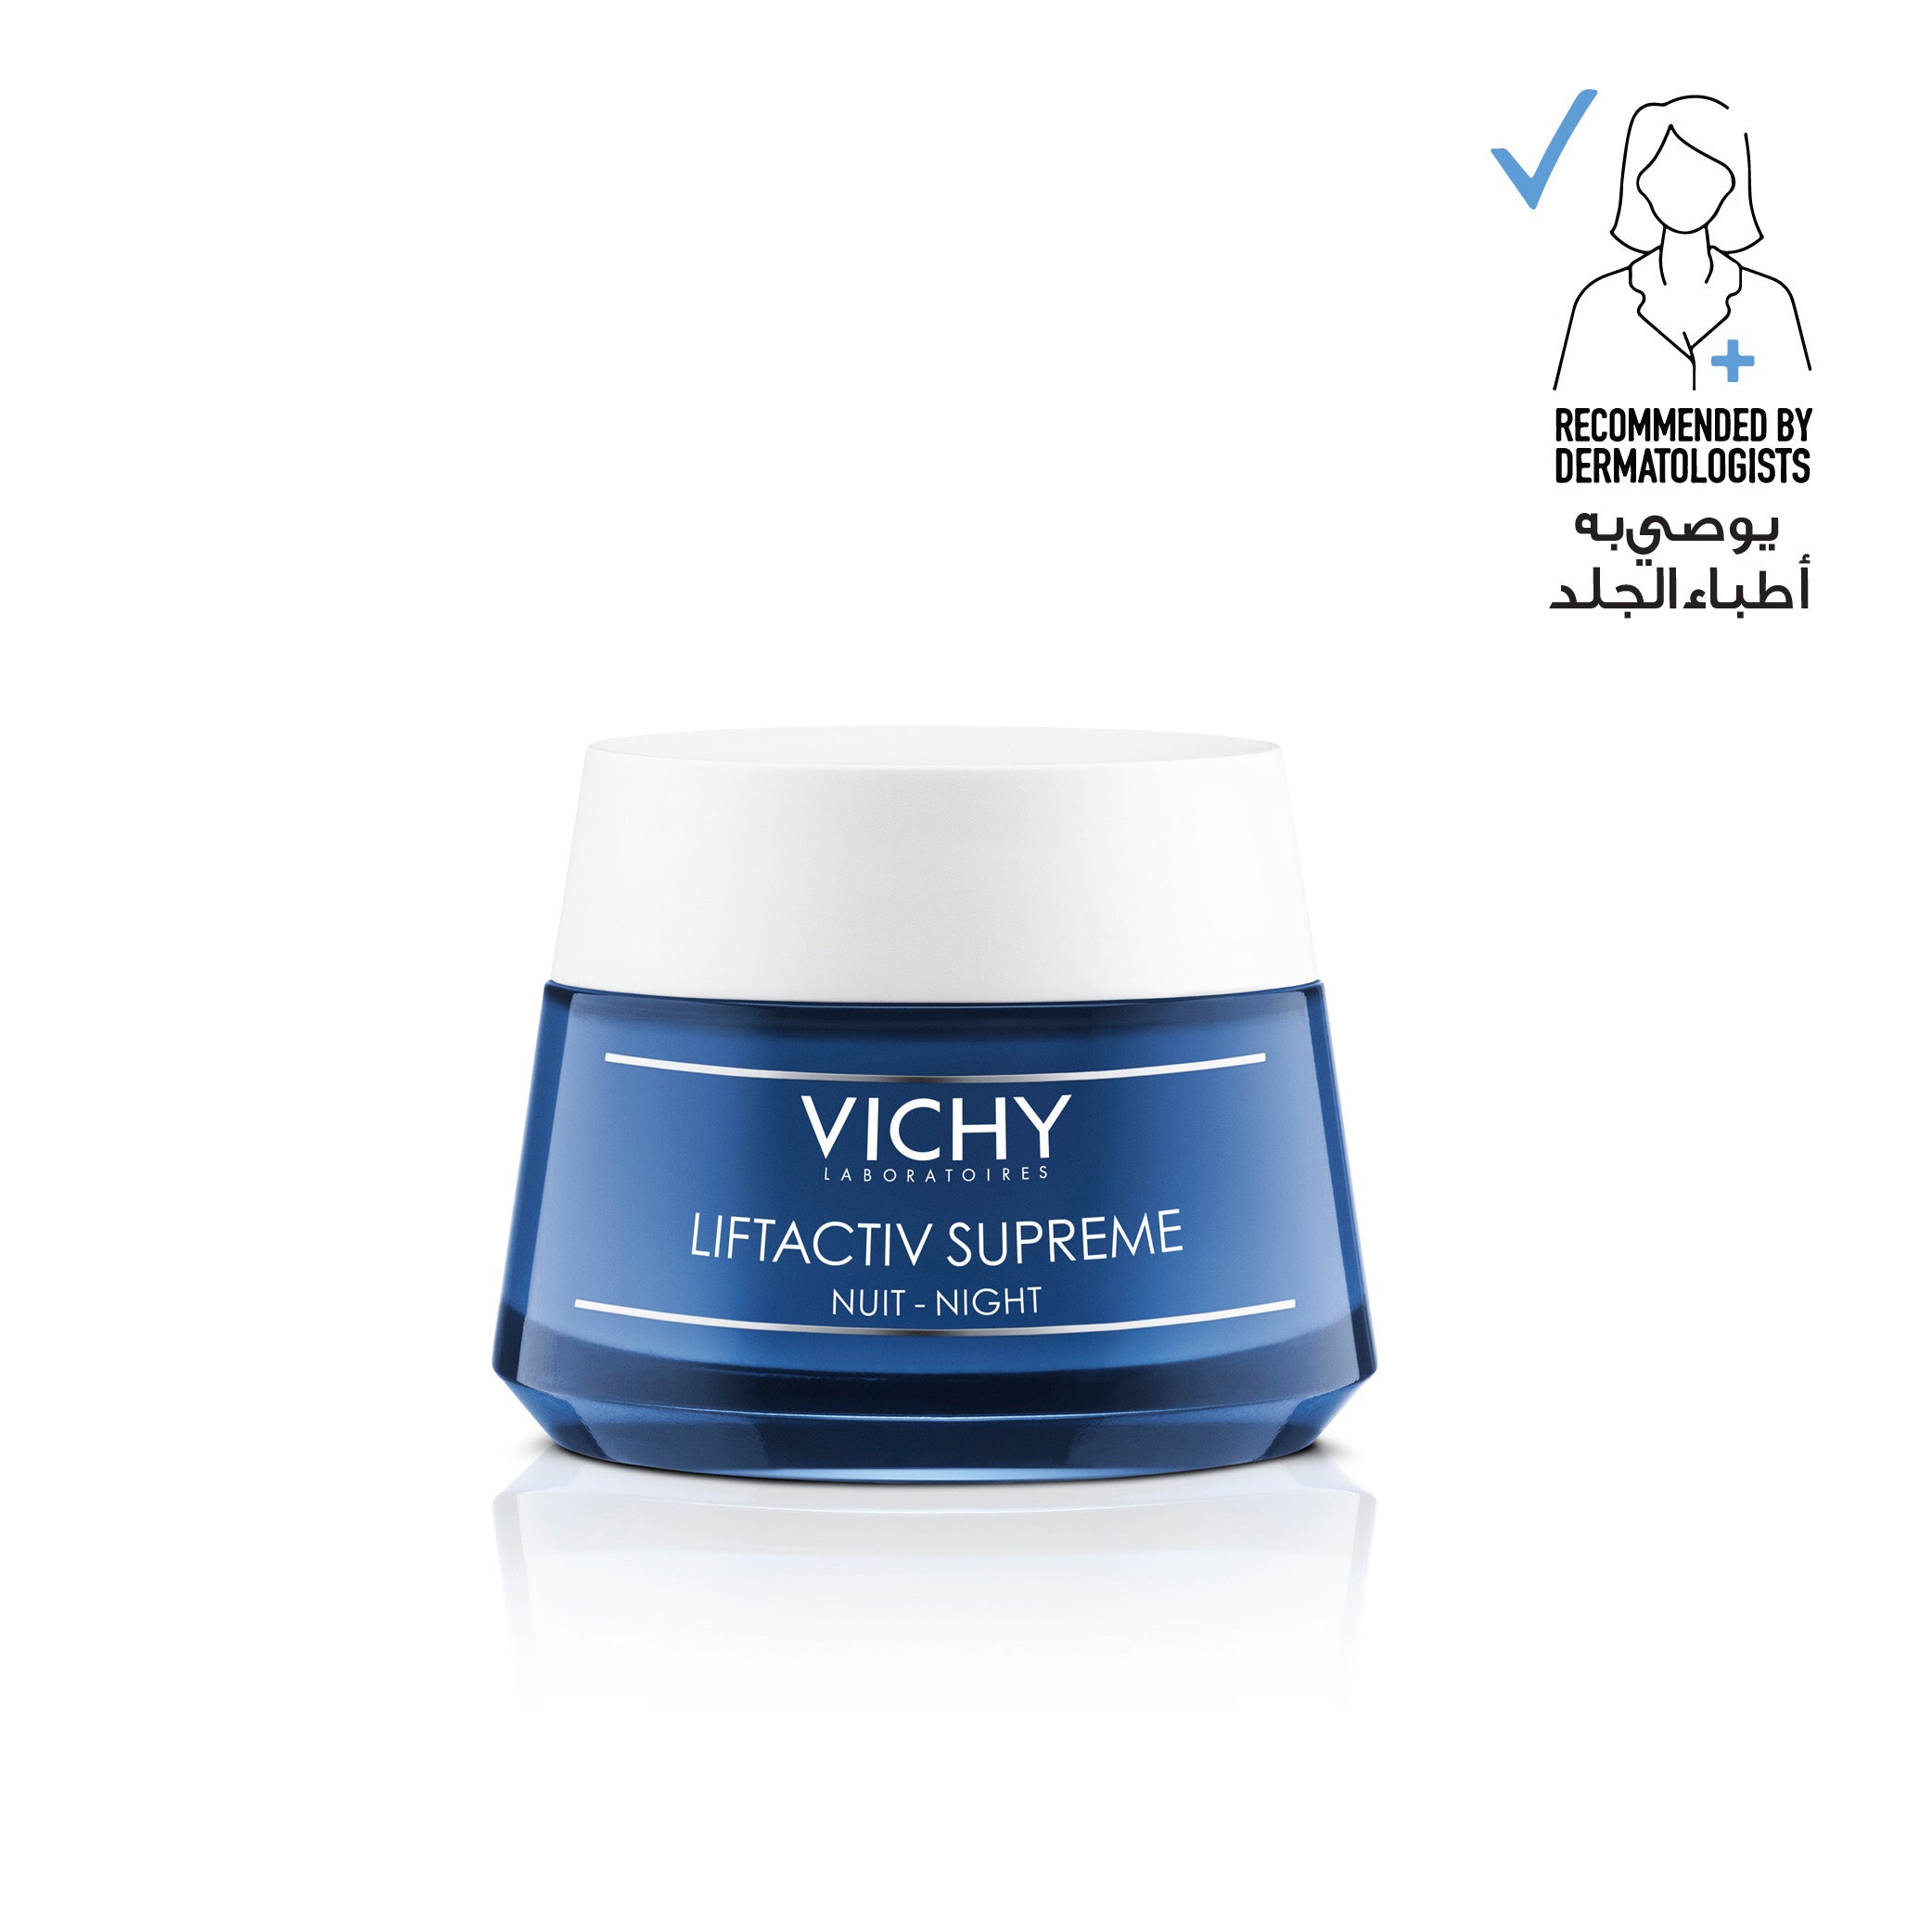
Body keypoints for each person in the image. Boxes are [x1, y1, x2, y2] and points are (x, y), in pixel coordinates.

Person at [1555, 96, 1809, 390]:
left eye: (1706, 173)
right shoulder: (1599, 303)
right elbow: (1569, 407)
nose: (1685, 187)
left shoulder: (1770, 302)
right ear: (1640, 185)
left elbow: (1800, 403)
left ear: (1731, 184)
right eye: (1665, 172)